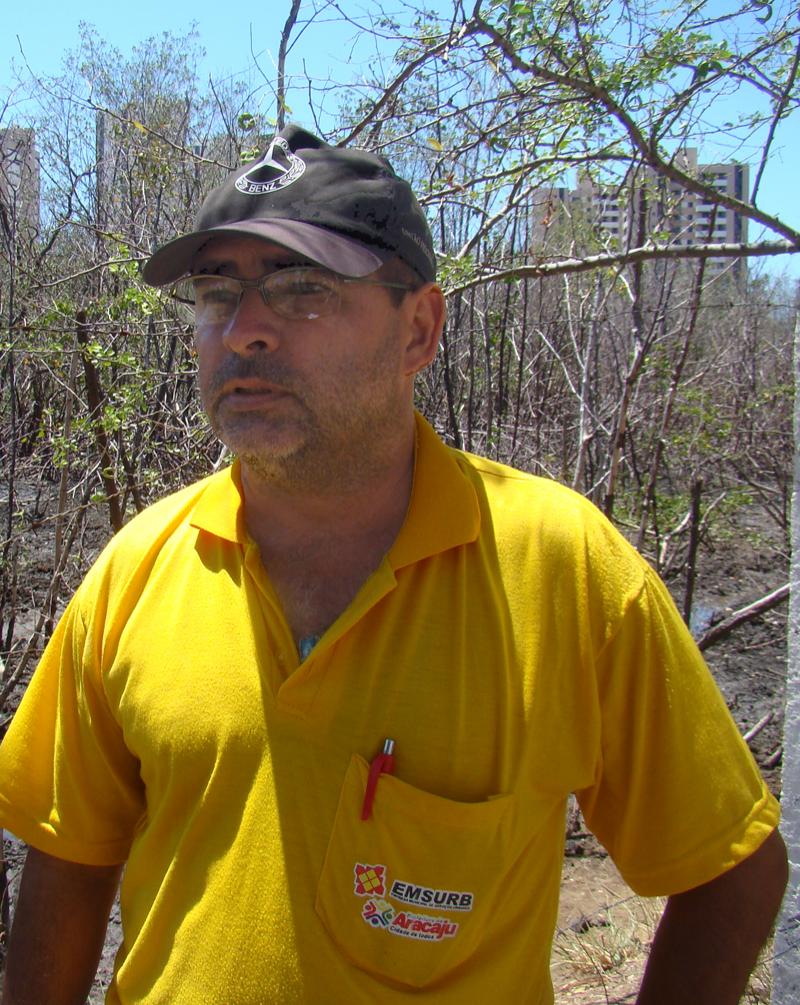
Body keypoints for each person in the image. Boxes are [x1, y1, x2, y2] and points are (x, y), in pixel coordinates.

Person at [0, 125, 787, 1005]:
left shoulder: (559, 567)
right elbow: (66, 859)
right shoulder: (136, 568)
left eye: (302, 289)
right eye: (217, 293)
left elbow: (734, 866)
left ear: (419, 329)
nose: (245, 330)